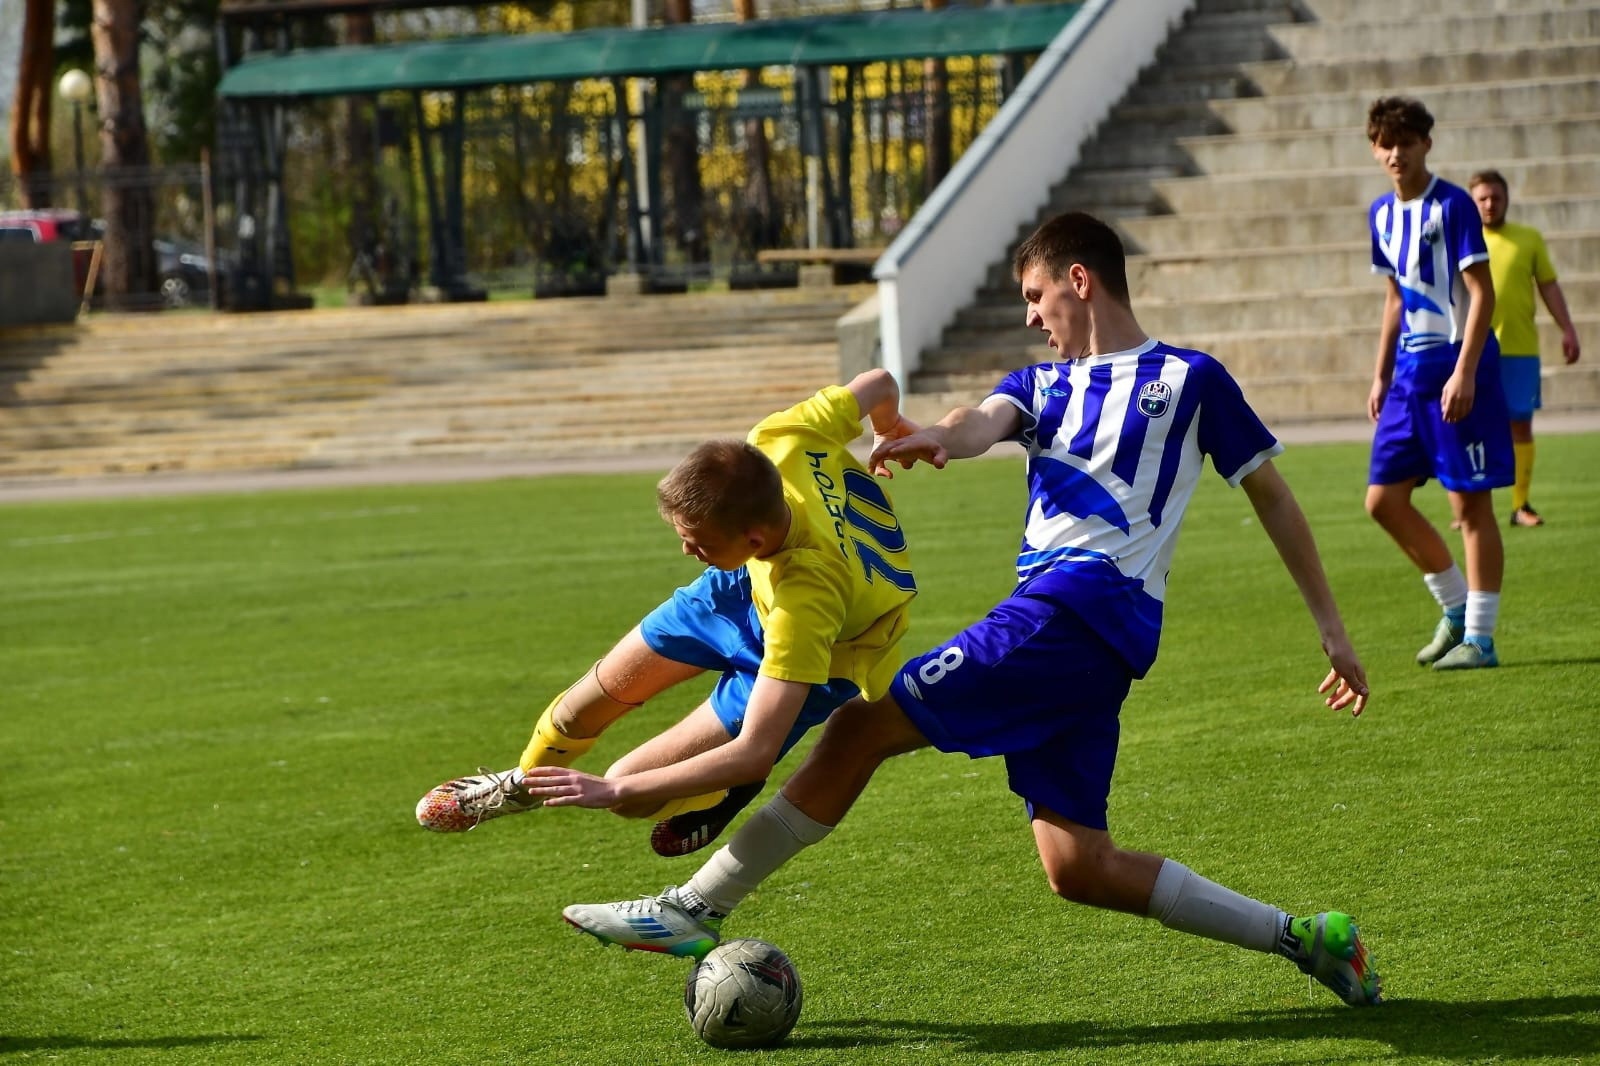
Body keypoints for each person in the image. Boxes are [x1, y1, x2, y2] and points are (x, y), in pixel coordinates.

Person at [542, 211, 1382, 1008]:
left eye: (1035, 296)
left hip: (1073, 608)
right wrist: (940, 435)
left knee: (861, 727)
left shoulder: (1189, 379)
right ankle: (1308, 938)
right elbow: (982, 421)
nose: (1031, 317)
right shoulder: (1041, 385)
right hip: (1083, 640)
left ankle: (695, 906)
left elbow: (1271, 496)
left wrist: (1333, 629)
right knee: (1079, 867)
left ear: (1078, 281)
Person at [415, 369, 920, 857]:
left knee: (631, 788)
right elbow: (879, 381)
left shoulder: (807, 599)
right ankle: (522, 785)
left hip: (829, 649)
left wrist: (611, 793)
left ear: (752, 538)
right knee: (580, 708)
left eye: (696, 543)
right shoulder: (779, 437)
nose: (685, 552)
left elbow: (754, 748)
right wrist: (887, 427)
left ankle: (726, 792)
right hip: (742, 584)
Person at [1363, 96, 1512, 672]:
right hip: (1407, 378)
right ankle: (1454, 611)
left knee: (1472, 505)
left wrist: (1466, 371)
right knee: (1382, 502)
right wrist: (1379, 374)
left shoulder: (1452, 205)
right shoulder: (1380, 213)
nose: (1395, 153)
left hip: (1457, 368)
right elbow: (1394, 298)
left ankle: (1481, 637)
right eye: (1385, 143)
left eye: (1406, 141)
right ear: (1375, 150)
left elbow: (1483, 293)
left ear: (1427, 142)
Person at [1468, 168, 1582, 528]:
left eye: (1495, 197)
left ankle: (1520, 506)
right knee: (1470, 427)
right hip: (1473, 350)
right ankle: (1470, 505)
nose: (1489, 204)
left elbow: (1549, 286)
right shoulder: (1464, 238)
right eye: (1482, 198)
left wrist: (1568, 329)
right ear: (1473, 202)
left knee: (1520, 425)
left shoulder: (1528, 238)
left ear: (1506, 199)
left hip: (1519, 349)